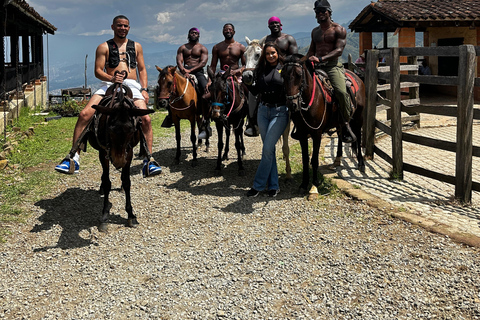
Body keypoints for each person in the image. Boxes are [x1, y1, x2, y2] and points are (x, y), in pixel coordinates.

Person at [55, 15, 162, 177]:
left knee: (146, 119)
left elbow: (141, 69)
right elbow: (98, 71)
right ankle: (73, 157)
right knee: (84, 114)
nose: (122, 28)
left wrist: (144, 89)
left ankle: (149, 159)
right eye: (119, 25)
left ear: (129, 28)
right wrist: (111, 78)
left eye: (125, 26)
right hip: (108, 85)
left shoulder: (137, 46)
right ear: (113, 27)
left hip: (132, 85)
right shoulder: (103, 47)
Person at [306, 0, 356, 143]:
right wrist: (302, 60)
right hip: (316, 66)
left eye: (323, 11)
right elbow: (311, 50)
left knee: (340, 91)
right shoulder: (315, 32)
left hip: (332, 66)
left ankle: (346, 124)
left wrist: (320, 59)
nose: (320, 14)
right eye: (317, 12)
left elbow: (339, 51)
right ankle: (303, 125)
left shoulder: (338, 29)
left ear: (329, 12)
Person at [243, 42, 289, 197]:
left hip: (280, 112)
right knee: (269, 150)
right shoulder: (260, 69)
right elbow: (256, 91)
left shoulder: (284, 67)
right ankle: (274, 186)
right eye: (268, 53)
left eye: (273, 53)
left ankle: (258, 185)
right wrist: (247, 83)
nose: (270, 56)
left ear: (278, 53)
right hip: (263, 111)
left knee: (267, 149)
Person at [244, 16, 298, 137]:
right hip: (267, 71)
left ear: (280, 24)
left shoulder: (288, 38)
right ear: (268, 26)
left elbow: (294, 57)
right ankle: (252, 122)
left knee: (296, 92)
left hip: (286, 71)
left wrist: (282, 62)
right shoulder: (266, 40)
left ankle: (300, 123)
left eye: (276, 23)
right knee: (252, 92)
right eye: (271, 24)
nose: (274, 25)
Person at [162, 27, 209, 135]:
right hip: (183, 71)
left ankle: (206, 114)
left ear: (198, 35)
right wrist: (184, 71)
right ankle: (170, 115)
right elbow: (179, 61)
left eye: (195, 33)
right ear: (188, 35)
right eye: (191, 33)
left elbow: (203, 63)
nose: (193, 34)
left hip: (198, 72)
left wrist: (190, 70)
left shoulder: (202, 48)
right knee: (170, 88)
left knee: (205, 88)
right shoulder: (182, 48)